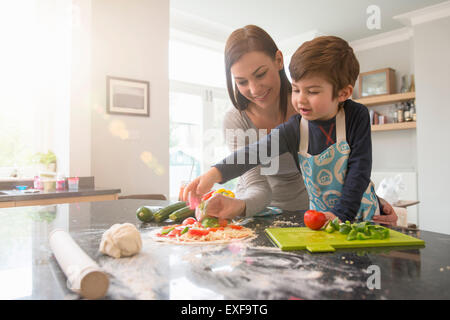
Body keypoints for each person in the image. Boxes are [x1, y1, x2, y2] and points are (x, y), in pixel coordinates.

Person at [183, 26, 397, 224]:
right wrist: (212, 174)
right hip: (314, 219)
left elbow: (358, 170)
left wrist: (363, 204)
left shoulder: (355, 115)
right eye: (296, 89)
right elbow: (254, 153)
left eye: (312, 92)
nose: (301, 100)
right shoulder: (295, 127)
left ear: (343, 93)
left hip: (353, 216)